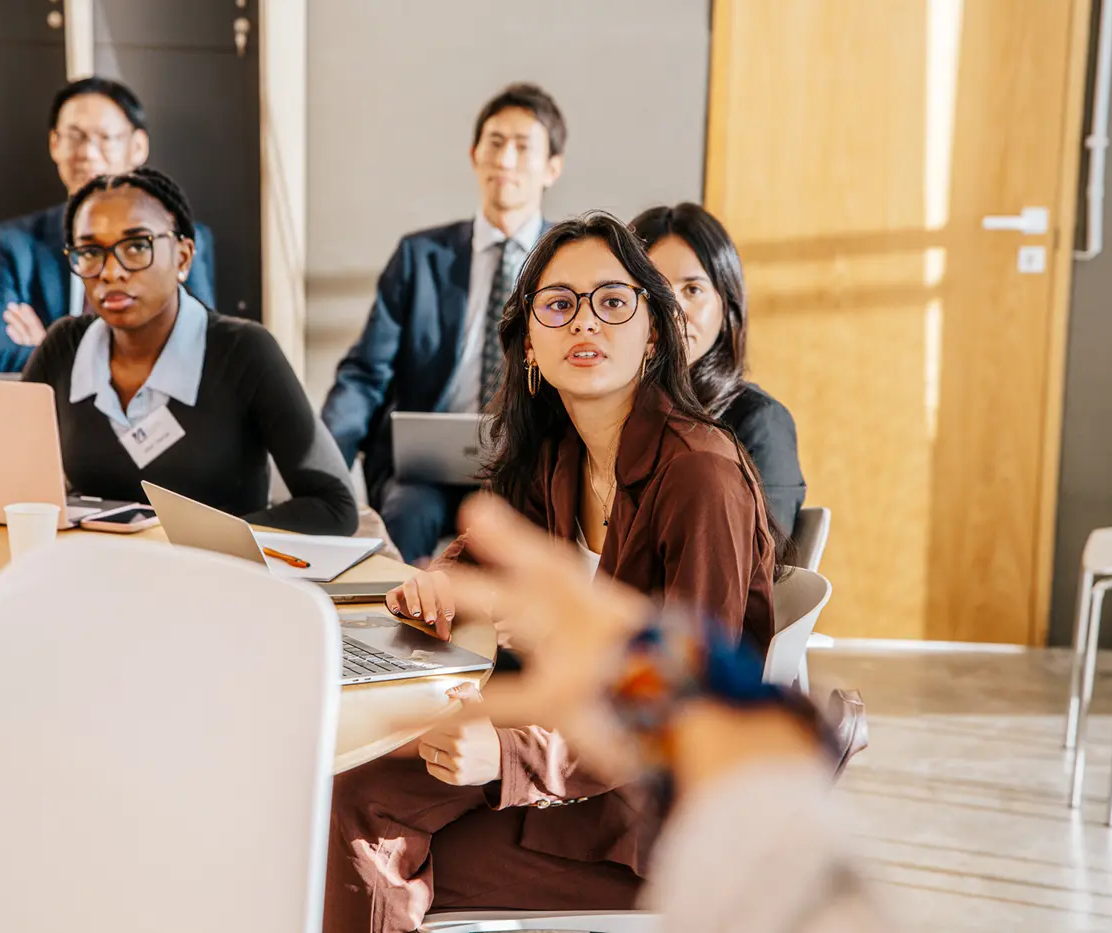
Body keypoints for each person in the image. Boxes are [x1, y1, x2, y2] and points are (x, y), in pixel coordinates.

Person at [324, 213, 778, 933]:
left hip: (655, 815)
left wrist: (513, 755)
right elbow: (489, 559)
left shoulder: (702, 476)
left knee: (354, 829)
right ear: (530, 343)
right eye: (559, 304)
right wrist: (443, 581)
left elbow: (687, 699)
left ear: (653, 331)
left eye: (613, 300)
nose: (585, 323)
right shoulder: (563, 449)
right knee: (344, 792)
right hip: (560, 747)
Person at [424, 494, 891, 933]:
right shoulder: (557, 448)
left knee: (372, 816)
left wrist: (657, 687)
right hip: (668, 791)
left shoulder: (700, 475)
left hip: (626, 822)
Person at [21, 167, 357, 535]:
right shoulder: (64, 347)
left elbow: (334, 506)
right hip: (95, 576)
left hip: (218, 578)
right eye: (90, 251)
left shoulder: (243, 351)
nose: (110, 271)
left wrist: (181, 544)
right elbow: (7, 480)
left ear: (183, 257)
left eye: (136, 246)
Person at [320, 83, 567, 563]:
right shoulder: (420, 256)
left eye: (523, 147)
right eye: (494, 143)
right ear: (474, 154)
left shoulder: (567, 263)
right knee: (407, 511)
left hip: (524, 463)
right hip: (424, 468)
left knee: (517, 532)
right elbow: (365, 374)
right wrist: (322, 471)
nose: (506, 160)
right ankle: (383, 634)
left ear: (552, 168)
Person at [0, 77, 216, 375]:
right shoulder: (17, 242)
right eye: (75, 137)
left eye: (105, 138)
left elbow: (197, 347)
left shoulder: (177, 238)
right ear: (54, 144)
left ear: (138, 147)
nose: (88, 153)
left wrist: (51, 349)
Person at [631, 203, 806, 535]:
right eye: (653, 290)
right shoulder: (608, 410)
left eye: (692, 290)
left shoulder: (760, 422)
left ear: (726, 309)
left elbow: (762, 569)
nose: (673, 309)